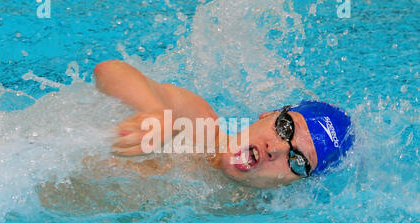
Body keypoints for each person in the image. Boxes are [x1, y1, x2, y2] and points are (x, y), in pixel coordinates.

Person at [93, 60, 354, 189]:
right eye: (285, 128)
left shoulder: (250, 213)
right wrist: (157, 112)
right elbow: (108, 71)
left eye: (297, 161)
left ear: (293, 182)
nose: (276, 149)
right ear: (269, 114)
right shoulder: (198, 126)